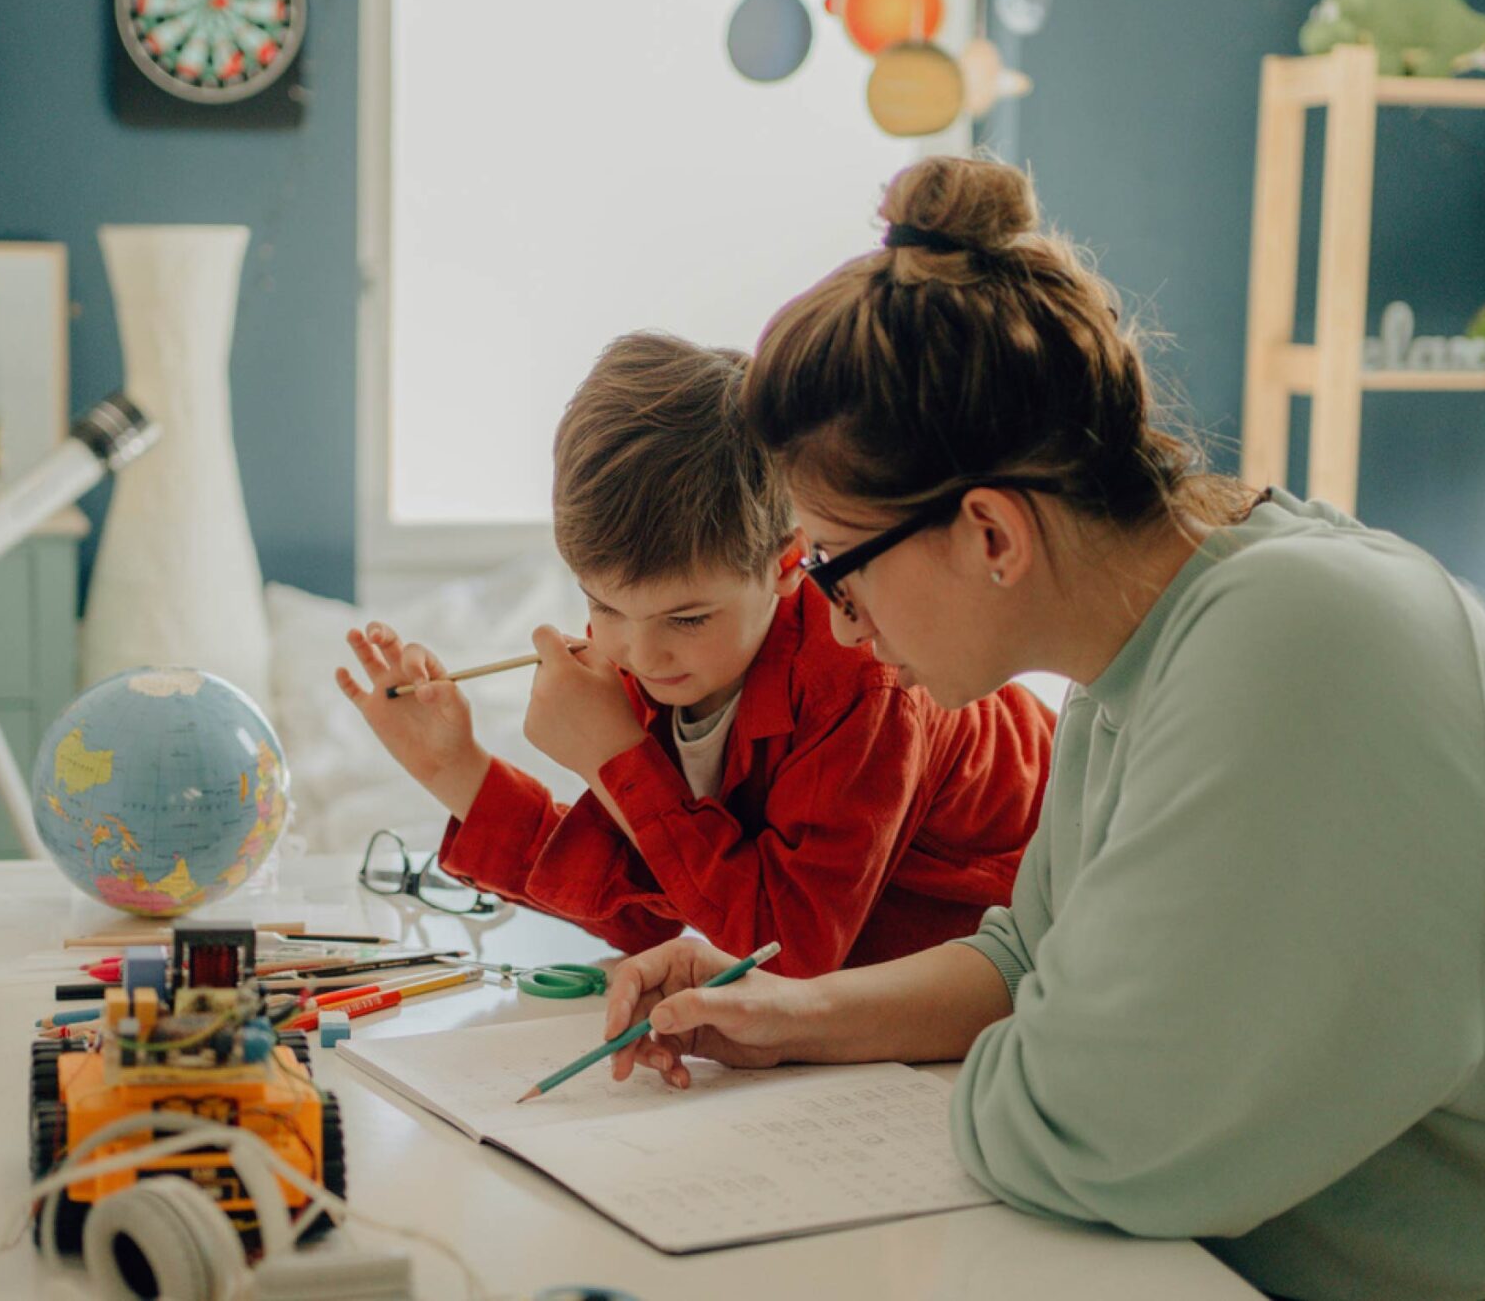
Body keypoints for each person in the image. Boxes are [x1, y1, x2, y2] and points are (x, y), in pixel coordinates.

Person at [595, 158, 1485, 1299]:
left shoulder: (1297, 641)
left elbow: (1090, 1133)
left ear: (992, 535)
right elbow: (1028, 962)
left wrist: (1043, 1043)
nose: (836, 621)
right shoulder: (1142, 654)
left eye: (835, 567)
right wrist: (785, 1015)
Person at [335, 331, 1054, 976]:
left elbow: (789, 951)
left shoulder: (861, 677)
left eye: (686, 616)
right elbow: (652, 905)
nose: (641, 653)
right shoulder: (668, 660)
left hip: (1052, 923)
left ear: (786, 563)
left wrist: (615, 760)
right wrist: (455, 768)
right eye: (604, 605)